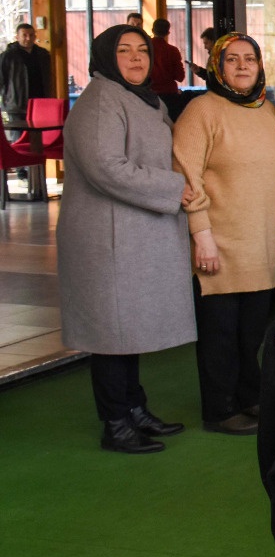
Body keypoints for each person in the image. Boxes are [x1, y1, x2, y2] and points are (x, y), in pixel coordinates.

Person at [58, 25, 196, 453]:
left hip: (131, 231)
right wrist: (173, 188)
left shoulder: (141, 97)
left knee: (126, 326)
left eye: (142, 51)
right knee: (111, 331)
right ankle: (116, 423)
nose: (136, 59)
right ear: (105, 56)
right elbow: (106, 167)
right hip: (107, 236)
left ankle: (134, 409)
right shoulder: (101, 99)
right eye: (124, 51)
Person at [172, 33, 275, 436]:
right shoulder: (201, 110)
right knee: (220, 333)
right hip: (218, 241)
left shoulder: (265, 110)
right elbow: (187, 177)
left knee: (250, 331)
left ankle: (248, 397)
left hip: (260, 242)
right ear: (217, 67)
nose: (242, 66)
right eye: (232, 60)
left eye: (250, 59)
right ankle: (219, 409)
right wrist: (201, 234)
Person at [0, 21, 52, 135]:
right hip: (17, 104)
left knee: (38, 137)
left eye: (31, 35)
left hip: (39, 102)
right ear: (17, 37)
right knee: (18, 137)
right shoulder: (8, 56)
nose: (28, 38)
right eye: (24, 35)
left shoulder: (43, 55)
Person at [147, 17, 187, 117]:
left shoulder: (144, 49)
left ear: (152, 30)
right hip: (169, 95)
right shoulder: (172, 51)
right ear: (168, 32)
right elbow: (180, 77)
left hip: (148, 94)